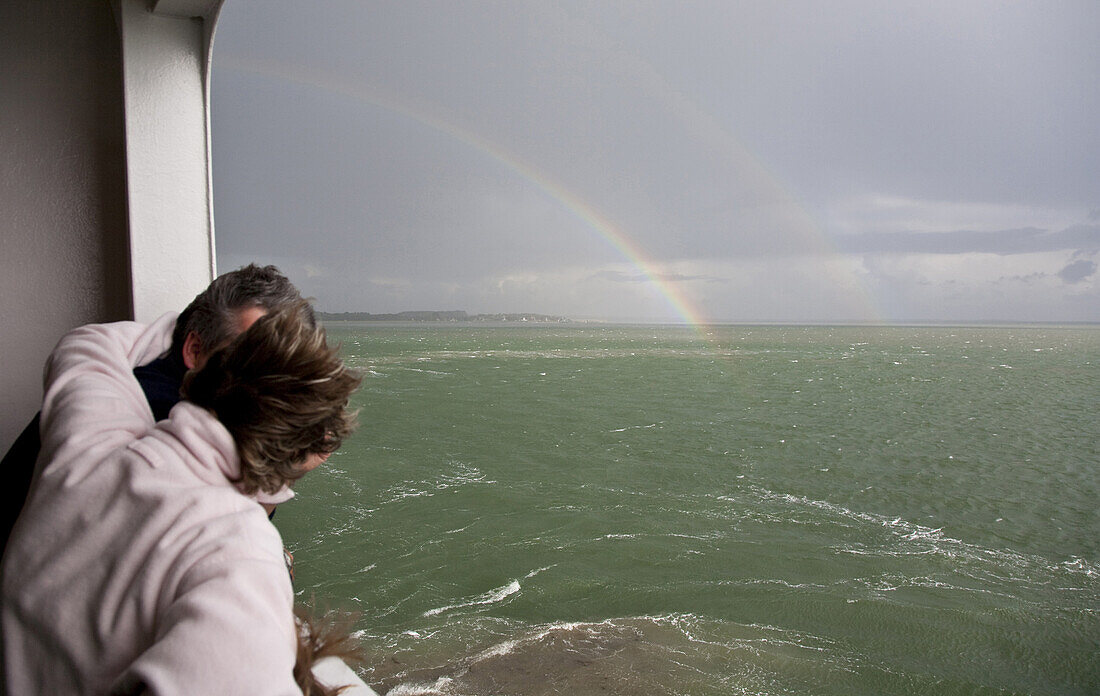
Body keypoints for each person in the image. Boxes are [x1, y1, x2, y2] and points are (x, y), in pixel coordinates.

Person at [0, 300, 361, 694]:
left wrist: (205, 326)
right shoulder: (237, 552)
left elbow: (87, 345)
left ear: (192, 379)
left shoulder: (92, 439)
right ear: (304, 451)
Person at [0, 263, 310, 559]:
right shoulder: (163, 420)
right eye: (250, 357)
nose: (270, 379)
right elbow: (219, 551)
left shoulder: (137, 363)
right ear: (193, 349)